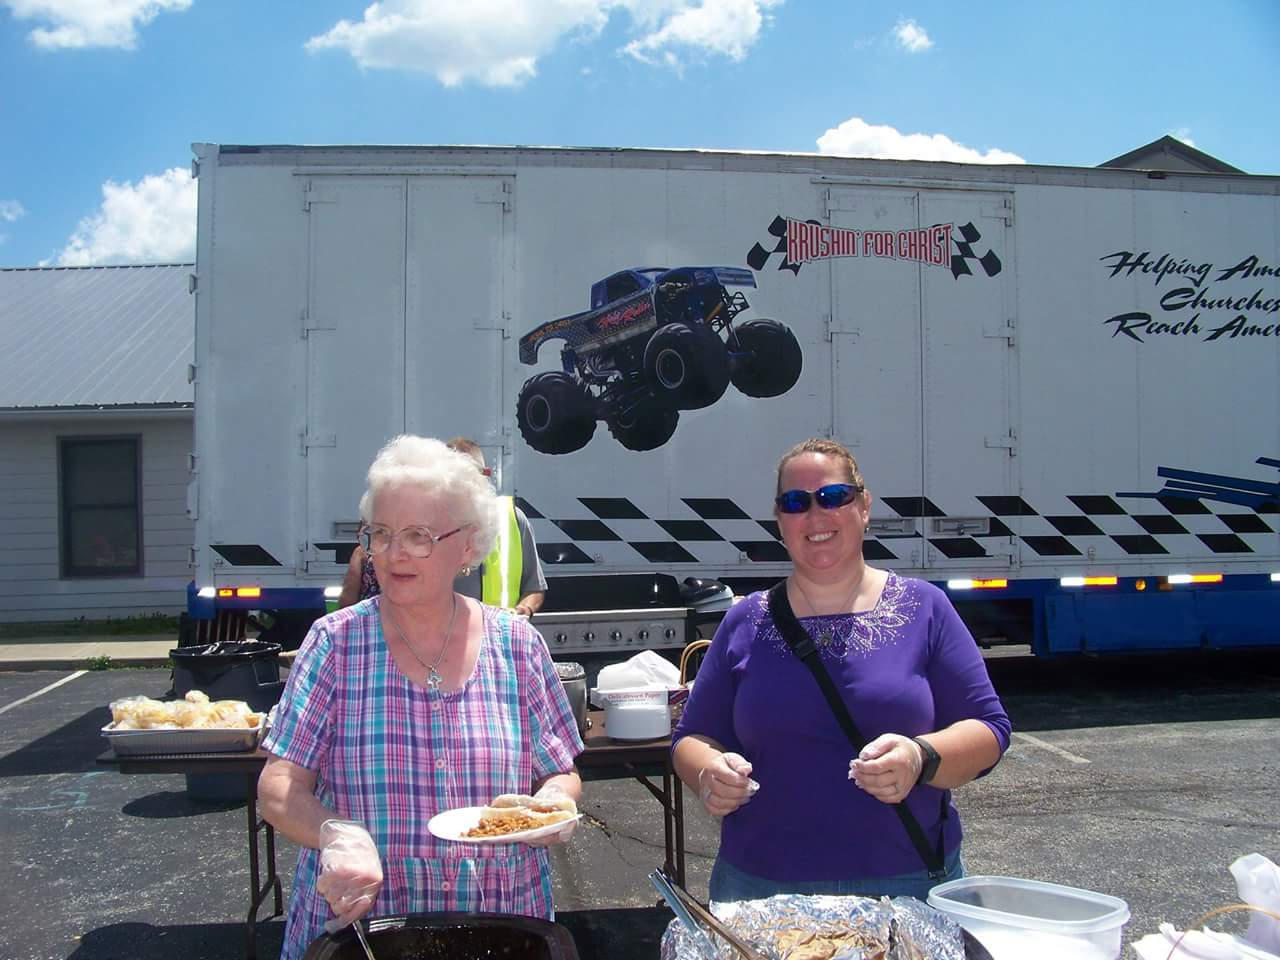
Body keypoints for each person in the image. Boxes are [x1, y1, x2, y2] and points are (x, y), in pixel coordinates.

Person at [259, 435, 584, 960]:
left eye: (418, 535)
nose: (392, 553)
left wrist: (553, 805)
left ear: (467, 545)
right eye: (380, 534)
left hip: (501, 922)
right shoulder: (335, 643)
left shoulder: (517, 644)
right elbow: (277, 788)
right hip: (362, 927)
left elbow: (560, 772)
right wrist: (336, 834)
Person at [671, 437, 1011, 902]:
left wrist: (920, 757)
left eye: (834, 497)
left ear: (864, 506)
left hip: (906, 883)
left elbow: (990, 730)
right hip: (761, 887)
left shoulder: (924, 608)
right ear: (780, 521)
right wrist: (709, 771)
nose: (816, 515)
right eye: (796, 502)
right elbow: (691, 737)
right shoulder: (745, 621)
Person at [338, 439, 548, 618]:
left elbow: (534, 587)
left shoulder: (511, 518)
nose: (396, 555)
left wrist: (523, 611)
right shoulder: (337, 637)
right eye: (381, 532)